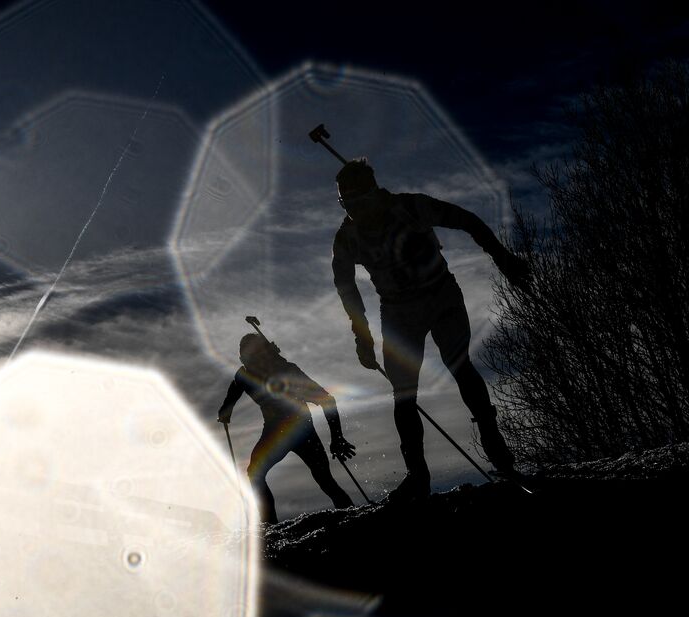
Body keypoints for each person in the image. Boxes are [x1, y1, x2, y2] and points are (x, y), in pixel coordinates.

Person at [331, 158, 530, 501]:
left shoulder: (411, 207)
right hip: (397, 310)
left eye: (359, 203)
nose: (356, 212)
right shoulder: (348, 237)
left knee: (459, 365)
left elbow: (467, 220)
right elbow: (345, 284)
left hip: (440, 296)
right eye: (347, 206)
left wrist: (502, 257)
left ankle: (497, 450)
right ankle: (417, 475)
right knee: (404, 393)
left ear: (374, 193)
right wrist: (360, 333)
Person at [218, 331, 356, 524]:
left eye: (255, 355)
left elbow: (327, 400)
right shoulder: (245, 374)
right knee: (257, 474)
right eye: (247, 357)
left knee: (324, 479)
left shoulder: (287, 370)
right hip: (280, 430)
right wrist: (226, 409)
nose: (251, 362)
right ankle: (270, 527)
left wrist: (337, 437)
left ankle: (351, 517)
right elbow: (234, 389)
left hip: (300, 428)